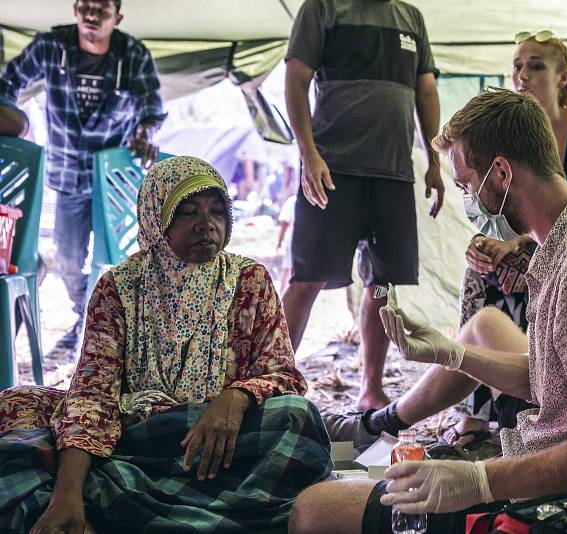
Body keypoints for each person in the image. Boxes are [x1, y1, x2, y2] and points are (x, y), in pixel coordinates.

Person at [292, 89, 567, 534]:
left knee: (314, 509)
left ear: (500, 172)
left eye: (466, 185)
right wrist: (450, 354)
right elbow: (556, 380)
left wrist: (480, 480)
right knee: (487, 325)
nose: (468, 200)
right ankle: (381, 423)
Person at [0, 156, 332, 532]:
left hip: (218, 443)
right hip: (137, 435)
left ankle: (120, 501)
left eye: (217, 212)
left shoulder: (249, 280)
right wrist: (67, 495)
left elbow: (282, 372)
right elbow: (93, 395)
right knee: (16, 416)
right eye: (187, 212)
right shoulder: (119, 288)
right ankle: (107, 500)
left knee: (297, 418)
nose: (207, 225)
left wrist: (235, 398)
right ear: (156, 220)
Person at [448, 30, 567, 448]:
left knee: (518, 272)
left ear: (563, 77)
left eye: (536, 65)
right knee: (479, 273)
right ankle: (478, 412)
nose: (523, 74)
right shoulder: (509, 132)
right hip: (530, 244)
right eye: (517, 66)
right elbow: (502, 204)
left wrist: (516, 249)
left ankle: (527, 405)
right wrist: (486, 245)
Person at [283, 0, 444, 411]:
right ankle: (274, 381)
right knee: (307, 279)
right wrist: (309, 155)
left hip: (392, 172)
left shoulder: (411, 18)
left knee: (382, 285)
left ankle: (371, 388)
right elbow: (296, 80)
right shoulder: (323, 8)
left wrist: (436, 160)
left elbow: (425, 91)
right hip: (331, 169)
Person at [0, 0, 166, 351]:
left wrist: (145, 131)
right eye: (85, 7)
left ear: (116, 18)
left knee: (115, 260)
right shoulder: (51, 47)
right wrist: (17, 123)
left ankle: (114, 333)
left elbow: (151, 105)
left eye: (101, 10)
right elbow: (8, 82)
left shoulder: (132, 54)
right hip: (68, 176)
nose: (91, 16)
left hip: (114, 184)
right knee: (69, 259)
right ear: (75, 9)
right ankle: (86, 316)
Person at [276, 193, 298, 295]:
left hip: (294, 242)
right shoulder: (292, 201)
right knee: (289, 269)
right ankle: (281, 295)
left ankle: (282, 295)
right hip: (294, 242)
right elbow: (285, 223)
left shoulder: (292, 201)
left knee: (288, 269)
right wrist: (280, 242)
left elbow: (284, 224)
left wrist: (279, 242)